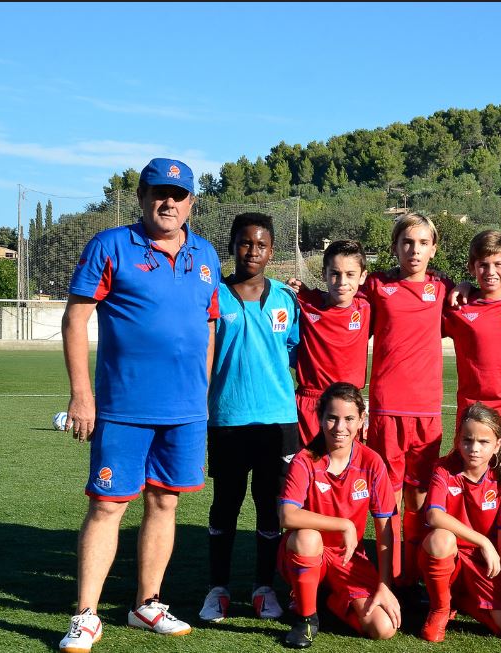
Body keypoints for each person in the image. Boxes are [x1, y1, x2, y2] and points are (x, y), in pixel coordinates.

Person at [58, 158, 221, 652]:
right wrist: (82, 395)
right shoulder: (110, 245)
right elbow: (75, 319)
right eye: (158, 192)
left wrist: (201, 395)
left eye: (178, 194)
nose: (168, 202)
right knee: (108, 505)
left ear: (191, 201)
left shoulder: (206, 254)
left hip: (185, 412)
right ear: (142, 197)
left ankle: (146, 604)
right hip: (123, 407)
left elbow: (208, 325)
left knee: (165, 502)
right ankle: (86, 615)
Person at [199, 212, 300, 624]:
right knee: (225, 504)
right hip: (228, 418)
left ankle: (263, 588)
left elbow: (294, 352)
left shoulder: (286, 299)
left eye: (261, 244)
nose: (252, 251)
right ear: (232, 246)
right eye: (245, 243)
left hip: (278, 421)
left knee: (270, 506)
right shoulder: (214, 297)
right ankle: (217, 589)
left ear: (271, 251)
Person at [361, 213, 453, 584]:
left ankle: (413, 575)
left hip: (427, 410)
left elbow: (483, 294)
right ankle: (390, 575)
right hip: (387, 408)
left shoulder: (444, 289)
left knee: (419, 496)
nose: (414, 250)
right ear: (395, 247)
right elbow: (342, 301)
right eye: (407, 242)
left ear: (434, 249)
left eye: (422, 243)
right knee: (389, 498)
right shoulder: (377, 286)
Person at [277, 382, 400, 648]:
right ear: (320, 418)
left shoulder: (372, 462)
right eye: (332, 418)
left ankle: (326, 600)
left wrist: (385, 584)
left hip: (348, 558)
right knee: (307, 538)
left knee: (383, 628)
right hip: (308, 553)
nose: (340, 427)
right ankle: (306, 619)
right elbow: (287, 516)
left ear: (362, 420)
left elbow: (385, 528)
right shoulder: (305, 459)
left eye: (349, 419)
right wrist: (344, 524)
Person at [418, 402, 501, 642]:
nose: (474, 448)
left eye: (483, 442)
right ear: (458, 439)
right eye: (468, 440)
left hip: (483, 566)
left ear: (497, 444)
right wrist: (483, 541)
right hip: (450, 558)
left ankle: (462, 600)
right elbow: (434, 516)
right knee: (441, 539)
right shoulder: (444, 469)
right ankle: (440, 608)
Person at [443, 230, 501, 486]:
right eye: (483, 265)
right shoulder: (457, 307)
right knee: (470, 481)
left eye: (498, 264)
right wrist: (463, 286)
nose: (490, 271)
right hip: (473, 408)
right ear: (472, 267)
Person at [292, 240, 370, 445]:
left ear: (362, 276)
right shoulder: (305, 303)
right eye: (335, 273)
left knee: (346, 464)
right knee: (308, 462)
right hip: (311, 403)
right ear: (324, 274)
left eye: (350, 274)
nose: (342, 282)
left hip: (349, 404)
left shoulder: (367, 308)